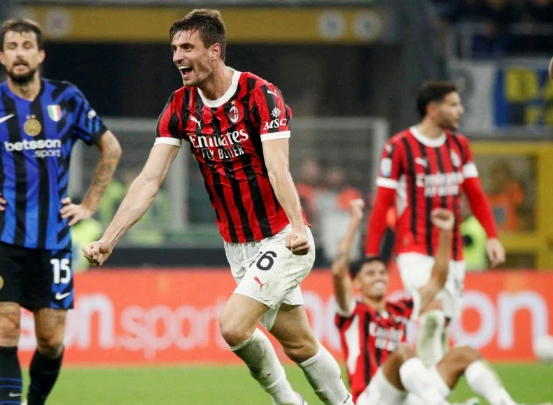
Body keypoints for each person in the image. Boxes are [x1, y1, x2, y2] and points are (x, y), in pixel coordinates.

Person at [84, 9, 352, 405]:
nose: (177, 56)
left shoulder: (260, 94)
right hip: (239, 247)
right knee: (300, 346)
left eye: (186, 47)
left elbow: (279, 169)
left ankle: (287, 401)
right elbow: (148, 180)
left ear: (214, 51)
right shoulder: (180, 107)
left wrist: (297, 225)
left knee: (232, 327)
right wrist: (109, 238)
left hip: (283, 237)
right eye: (173, 48)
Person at [0, 18, 121, 405]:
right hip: (2, 236)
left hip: (53, 237)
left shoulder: (68, 99)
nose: (19, 53)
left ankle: (35, 401)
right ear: (1, 56)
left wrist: (91, 204)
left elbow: (110, 148)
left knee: (50, 339)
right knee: (6, 325)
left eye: (27, 45)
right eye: (12, 46)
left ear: (40, 54)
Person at [335, 200, 546, 405]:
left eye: (382, 272)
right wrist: (354, 221)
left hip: (408, 397)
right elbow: (337, 271)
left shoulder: (398, 309)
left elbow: (437, 280)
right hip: (370, 399)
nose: (378, 276)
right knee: (404, 352)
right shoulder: (353, 311)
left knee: (464, 353)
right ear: (357, 282)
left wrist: (446, 232)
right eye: (370, 273)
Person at [365, 81, 505, 367]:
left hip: (451, 252)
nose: (460, 110)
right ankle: (430, 394)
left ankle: (430, 390)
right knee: (432, 315)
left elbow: (475, 195)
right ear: (433, 109)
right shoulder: (398, 147)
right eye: (453, 104)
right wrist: (371, 254)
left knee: (440, 324)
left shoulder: (459, 145)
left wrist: (492, 235)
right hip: (413, 249)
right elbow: (382, 206)